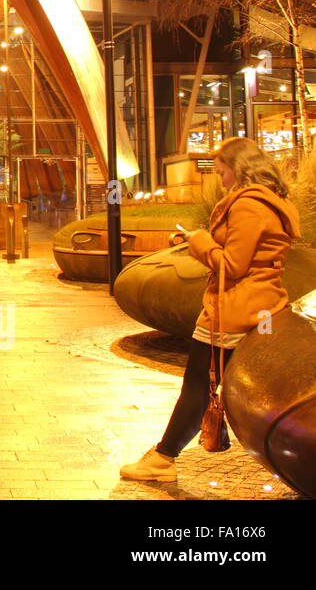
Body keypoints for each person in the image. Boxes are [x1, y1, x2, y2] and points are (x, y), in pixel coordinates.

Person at [120, 137, 299, 482]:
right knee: (223, 387)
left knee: (197, 386)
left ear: (238, 170)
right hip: (260, 304)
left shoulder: (250, 205)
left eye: (222, 173)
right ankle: (164, 456)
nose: (222, 180)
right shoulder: (273, 201)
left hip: (234, 310)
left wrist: (199, 241)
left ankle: (163, 459)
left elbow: (232, 265)